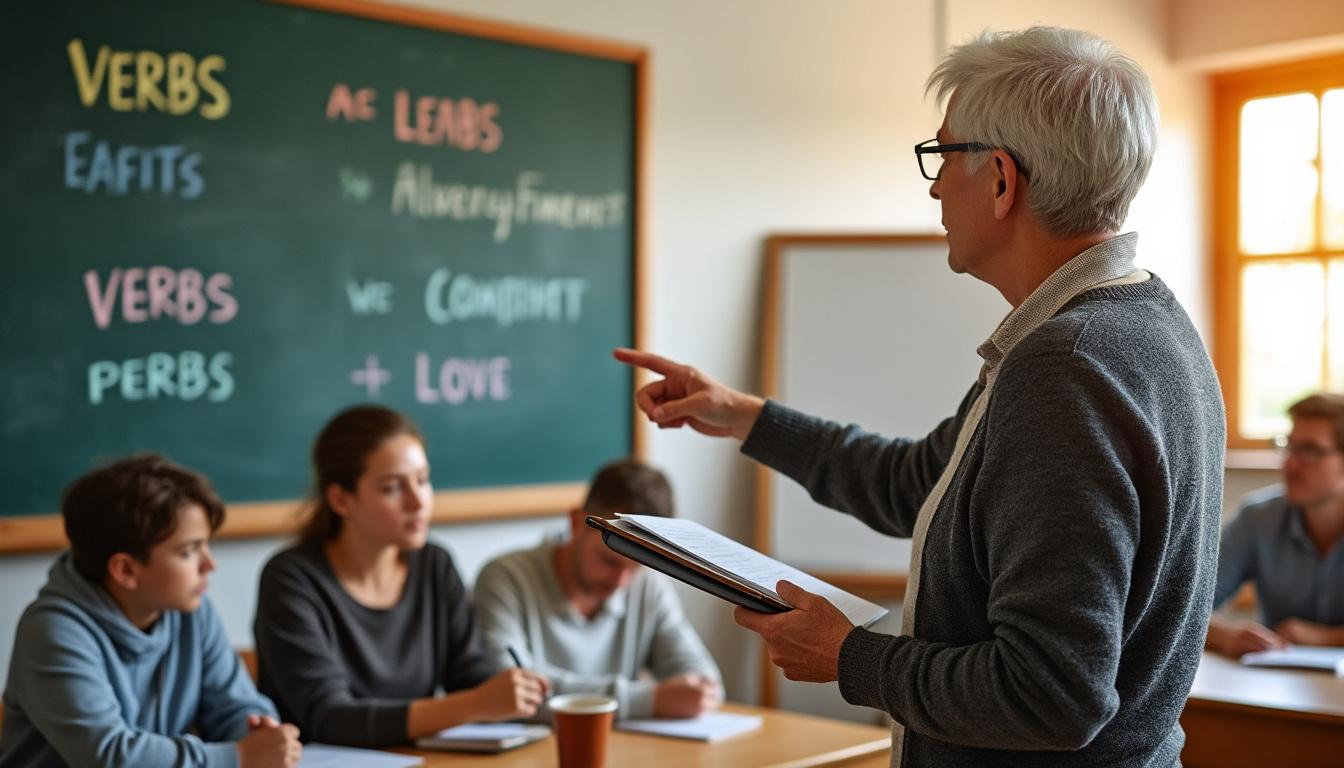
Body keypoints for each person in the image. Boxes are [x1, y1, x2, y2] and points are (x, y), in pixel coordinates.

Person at [615, 25, 1224, 768]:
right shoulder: (1145, 324)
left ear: (1000, 179)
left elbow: (1053, 694)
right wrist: (743, 416)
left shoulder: (1064, 367)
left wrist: (850, 658)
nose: (934, 185)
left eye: (943, 154)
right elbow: (919, 484)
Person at [252, 405, 549, 747]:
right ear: (340, 499)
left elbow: (469, 676)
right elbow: (329, 717)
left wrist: (510, 691)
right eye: (392, 488)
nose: (418, 501)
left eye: (422, 480)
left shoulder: (435, 565)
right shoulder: (291, 579)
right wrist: (475, 704)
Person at [0, 454, 301, 768]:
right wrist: (238, 756)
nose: (210, 564)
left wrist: (259, 733)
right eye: (188, 551)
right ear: (125, 570)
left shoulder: (192, 611)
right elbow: (109, 756)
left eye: (206, 545)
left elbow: (235, 706)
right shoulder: (53, 631)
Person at [473, 459, 722, 720]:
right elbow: (508, 690)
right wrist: (649, 700)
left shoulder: (648, 586)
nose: (621, 582)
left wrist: (693, 692)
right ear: (576, 522)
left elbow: (704, 681)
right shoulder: (505, 579)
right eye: (609, 561)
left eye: (637, 566)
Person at [1208, 392, 1344, 657]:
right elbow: (1187, 605)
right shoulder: (1257, 518)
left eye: (1311, 451)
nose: (1291, 463)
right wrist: (1227, 635)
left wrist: (1323, 638)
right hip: (1275, 679)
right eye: (1290, 446)